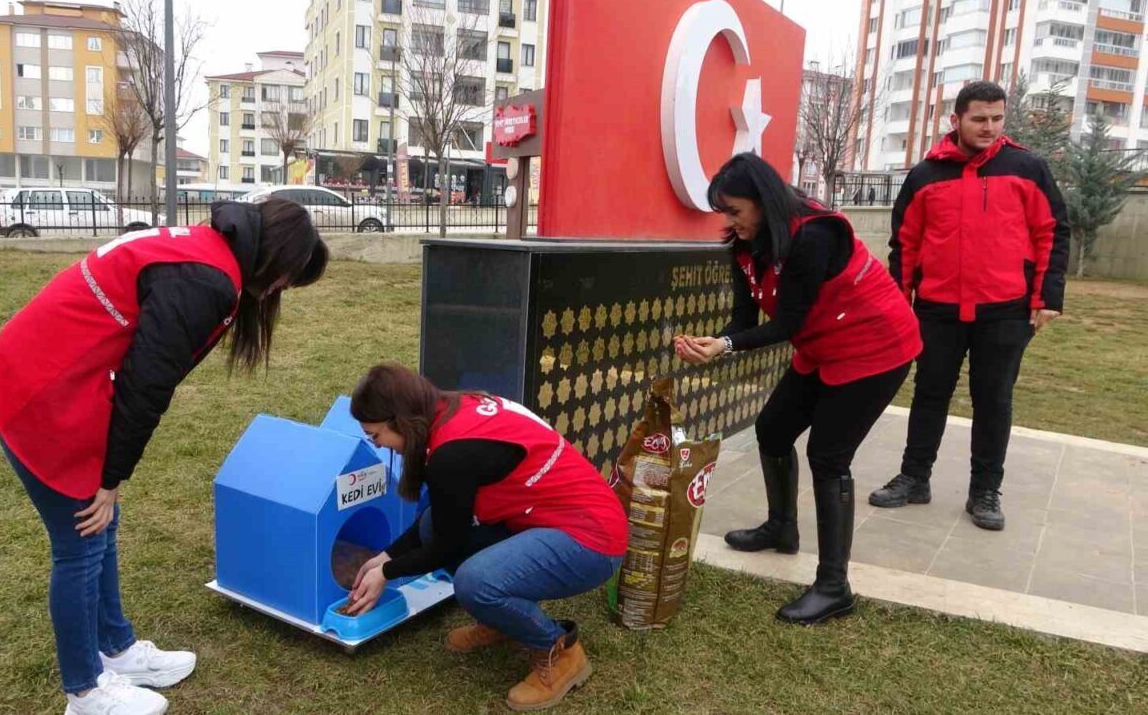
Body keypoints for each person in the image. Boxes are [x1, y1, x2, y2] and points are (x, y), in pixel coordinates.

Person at [0, 200, 328, 715]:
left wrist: (108, 480)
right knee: (80, 540)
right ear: (275, 255)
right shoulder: (207, 280)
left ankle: (116, 648)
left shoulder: (208, 249)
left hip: (53, 375)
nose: (277, 291)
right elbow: (146, 384)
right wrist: (111, 478)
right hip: (44, 391)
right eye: (286, 279)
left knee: (101, 525)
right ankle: (85, 691)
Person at [674, 152, 922, 625]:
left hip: (876, 346)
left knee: (828, 456)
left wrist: (726, 346)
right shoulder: (746, 244)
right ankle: (781, 529)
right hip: (823, 344)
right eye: (724, 212)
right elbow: (745, 319)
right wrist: (716, 342)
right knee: (773, 429)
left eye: (735, 211)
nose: (730, 222)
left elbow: (788, 322)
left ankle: (834, 587)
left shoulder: (813, 235)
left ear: (763, 201)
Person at [345, 363, 628, 712]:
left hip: (593, 538)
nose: (378, 445)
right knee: (433, 524)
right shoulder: (449, 409)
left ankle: (559, 650)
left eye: (375, 436)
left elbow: (447, 546)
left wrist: (386, 574)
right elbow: (443, 522)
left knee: (475, 583)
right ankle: (503, 621)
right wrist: (386, 556)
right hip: (555, 518)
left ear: (400, 421)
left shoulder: (451, 455)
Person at [872, 81, 1069, 531]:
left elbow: (1053, 233)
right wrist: (901, 300)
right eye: (979, 119)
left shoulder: (1027, 168)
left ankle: (985, 491)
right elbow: (905, 243)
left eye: (997, 118)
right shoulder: (925, 175)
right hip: (938, 308)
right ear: (956, 120)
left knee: (993, 400)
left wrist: (1047, 297)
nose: (989, 127)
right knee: (929, 393)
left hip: (1006, 309)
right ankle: (914, 478)